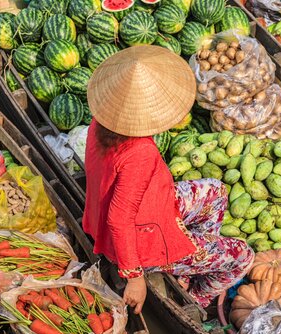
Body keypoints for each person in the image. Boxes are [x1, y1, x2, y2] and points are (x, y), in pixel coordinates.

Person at [82, 45, 255, 314]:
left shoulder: (102, 121)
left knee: (216, 191)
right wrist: (135, 277)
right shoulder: (140, 152)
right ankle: (194, 298)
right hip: (141, 242)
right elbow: (119, 218)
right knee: (243, 256)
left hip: (149, 208)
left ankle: (186, 268)